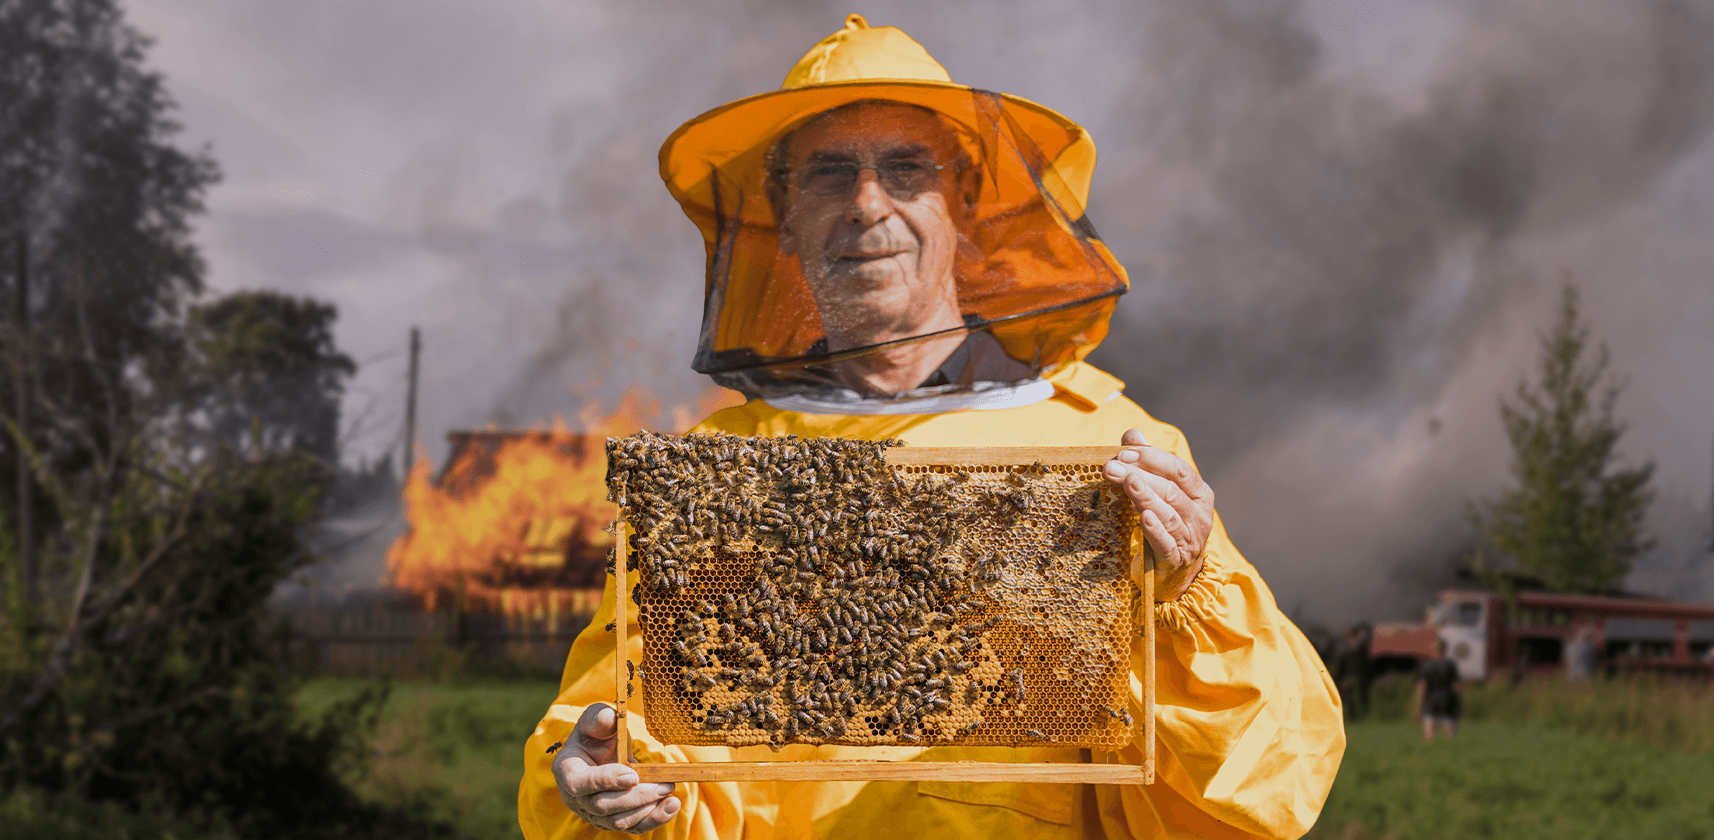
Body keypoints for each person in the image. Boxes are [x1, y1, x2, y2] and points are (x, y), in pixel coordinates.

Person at [517, 16, 1345, 839]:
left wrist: (1190, 596)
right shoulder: (714, 478)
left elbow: (1256, 785)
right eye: (829, 176)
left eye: (905, 170)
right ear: (783, 213)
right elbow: (632, 739)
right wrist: (604, 778)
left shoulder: (1116, 449)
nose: (866, 205)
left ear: (966, 202)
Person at [1414, 640, 1461, 742]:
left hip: (1431, 702)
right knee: (1450, 737)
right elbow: (1456, 687)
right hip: (1448, 701)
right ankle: (1452, 754)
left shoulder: (1426, 666)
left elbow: (1422, 688)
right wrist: (1460, 704)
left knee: (1428, 737)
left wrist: (1417, 706)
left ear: (1432, 650)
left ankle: (1429, 753)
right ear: (1445, 649)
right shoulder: (1450, 665)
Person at [1334, 623, 1374, 722]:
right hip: (1347, 679)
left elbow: (1366, 667)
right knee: (1346, 688)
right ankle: (1352, 714)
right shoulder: (1344, 652)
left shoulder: (1362, 650)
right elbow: (1339, 671)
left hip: (1362, 678)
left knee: (1358, 688)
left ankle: (1362, 713)